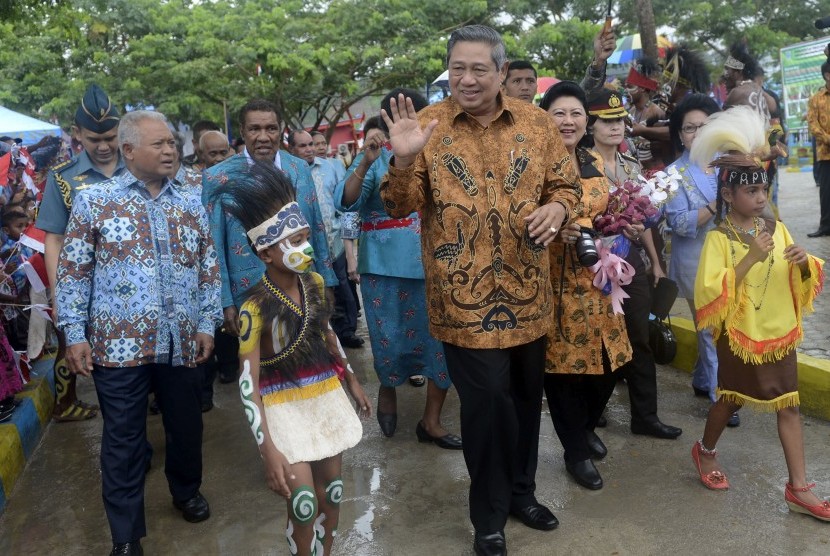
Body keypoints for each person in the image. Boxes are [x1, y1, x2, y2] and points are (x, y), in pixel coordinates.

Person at [379, 25, 580, 556]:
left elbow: (566, 185)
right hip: (461, 302)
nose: (467, 79)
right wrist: (401, 161)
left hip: (530, 295)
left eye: (479, 69)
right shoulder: (427, 126)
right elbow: (398, 205)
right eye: (458, 69)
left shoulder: (537, 124)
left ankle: (522, 493)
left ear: (499, 71)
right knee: (487, 403)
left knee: (522, 400)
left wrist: (558, 208)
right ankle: (488, 516)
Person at [56, 110, 223, 556]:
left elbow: (208, 268)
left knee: (186, 428)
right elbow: (72, 273)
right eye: (160, 144)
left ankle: (186, 491)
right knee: (124, 441)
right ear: (129, 151)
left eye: (172, 143)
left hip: (182, 340)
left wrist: (207, 323)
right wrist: (74, 332)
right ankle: (126, 536)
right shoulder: (95, 202)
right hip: (118, 347)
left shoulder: (190, 199)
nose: (171, 150)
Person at [213, 160, 370, 554]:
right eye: (294, 241)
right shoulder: (253, 307)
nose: (305, 248)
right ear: (265, 252)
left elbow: (327, 332)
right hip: (282, 406)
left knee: (331, 494)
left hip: (322, 396)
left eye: (305, 237)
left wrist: (350, 380)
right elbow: (247, 384)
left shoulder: (314, 282)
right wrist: (267, 449)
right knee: (303, 505)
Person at [690, 106, 829, 522]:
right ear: (729, 195)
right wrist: (750, 257)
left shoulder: (777, 228)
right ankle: (706, 451)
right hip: (740, 337)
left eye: (763, 190)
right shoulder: (719, 239)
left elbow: (799, 278)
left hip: (779, 332)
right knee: (731, 401)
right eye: (750, 192)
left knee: (789, 405)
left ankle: (799, 487)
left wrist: (805, 261)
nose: (760, 198)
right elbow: (709, 294)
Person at [335, 93, 460, 445]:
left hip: (439, 262)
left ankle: (432, 420)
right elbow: (346, 202)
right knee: (387, 340)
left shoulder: (443, 152)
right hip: (384, 268)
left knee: (441, 344)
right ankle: (387, 391)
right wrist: (364, 160)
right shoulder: (377, 158)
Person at [538, 81, 633, 491]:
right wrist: (552, 231)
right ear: (545, 118)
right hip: (553, 282)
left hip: (599, 280)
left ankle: (584, 426)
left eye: (576, 113)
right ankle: (575, 450)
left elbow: (606, 210)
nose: (568, 120)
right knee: (564, 372)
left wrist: (622, 221)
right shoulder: (534, 162)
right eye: (559, 113)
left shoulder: (591, 159)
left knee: (611, 363)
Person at [202, 99, 337, 367]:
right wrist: (224, 301)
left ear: (281, 130)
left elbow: (317, 227)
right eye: (254, 129)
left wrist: (328, 281)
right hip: (248, 292)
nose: (263, 137)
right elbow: (213, 245)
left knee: (309, 362)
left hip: (302, 285)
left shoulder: (298, 168)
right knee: (260, 370)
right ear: (242, 131)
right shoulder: (218, 177)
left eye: (271, 128)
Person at [587, 88, 683, 440]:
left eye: (618, 120)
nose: (614, 127)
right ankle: (589, 415)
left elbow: (641, 214)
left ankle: (645, 416)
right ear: (590, 125)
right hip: (594, 263)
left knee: (639, 338)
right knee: (600, 338)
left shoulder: (631, 165)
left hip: (631, 260)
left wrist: (655, 262)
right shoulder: (580, 164)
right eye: (605, 121)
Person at [36, 83, 125, 422]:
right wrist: (59, 295)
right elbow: (54, 239)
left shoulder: (138, 169)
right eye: (94, 139)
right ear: (77, 134)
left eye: (111, 137)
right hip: (87, 291)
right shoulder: (63, 179)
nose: (104, 147)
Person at [662, 95, 740, 427]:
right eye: (690, 127)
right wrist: (717, 206)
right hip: (696, 263)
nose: (697, 132)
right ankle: (720, 395)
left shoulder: (733, 164)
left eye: (704, 126)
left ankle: (701, 378)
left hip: (735, 261)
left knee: (725, 326)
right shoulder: (673, 174)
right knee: (711, 330)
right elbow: (679, 224)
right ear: (680, 135)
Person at [289, 129, 363, 348]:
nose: (310, 149)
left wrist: (350, 249)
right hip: (305, 247)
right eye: (303, 146)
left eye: (311, 144)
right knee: (310, 293)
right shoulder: (287, 173)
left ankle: (346, 333)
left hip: (336, 242)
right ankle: (315, 337)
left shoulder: (333, 167)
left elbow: (347, 205)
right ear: (291, 150)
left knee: (342, 292)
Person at [806, 58, 830, 237]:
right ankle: (825, 226)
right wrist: (828, 139)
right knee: (826, 192)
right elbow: (812, 124)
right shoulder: (816, 99)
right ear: (827, 75)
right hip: (825, 153)